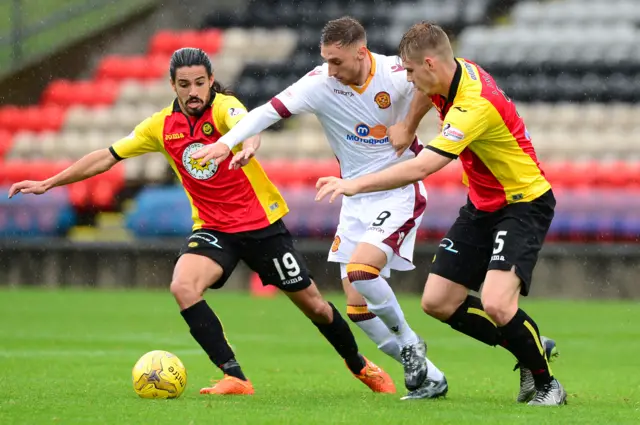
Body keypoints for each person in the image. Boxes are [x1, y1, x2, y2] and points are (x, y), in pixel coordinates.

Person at [7, 47, 396, 396]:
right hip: (213, 228)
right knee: (183, 285)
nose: (193, 91)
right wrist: (49, 182)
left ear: (211, 81)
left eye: (199, 83)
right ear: (173, 86)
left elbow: (247, 125)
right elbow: (108, 155)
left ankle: (360, 365)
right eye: (184, 84)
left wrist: (246, 144)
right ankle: (235, 376)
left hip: (262, 226)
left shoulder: (224, 107)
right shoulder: (160, 126)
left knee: (313, 305)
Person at [191, 17, 448, 399]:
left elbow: (436, 83)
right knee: (359, 309)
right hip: (353, 197)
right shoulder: (320, 83)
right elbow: (267, 111)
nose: (330, 69)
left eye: (337, 62)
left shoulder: (395, 73)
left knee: (363, 271)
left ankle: (410, 344)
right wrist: (226, 143)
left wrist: (409, 124)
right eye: (326, 60)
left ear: (361, 53)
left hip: (398, 190)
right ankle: (430, 377)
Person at [314, 22, 567, 406]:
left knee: (498, 303)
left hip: (523, 203)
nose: (408, 80)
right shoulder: (449, 73)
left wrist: (354, 184)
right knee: (437, 302)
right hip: (482, 204)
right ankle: (527, 342)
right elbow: (423, 93)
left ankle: (547, 384)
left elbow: (421, 168)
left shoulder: (473, 104)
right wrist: (408, 123)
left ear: (430, 64)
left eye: (412, 72)